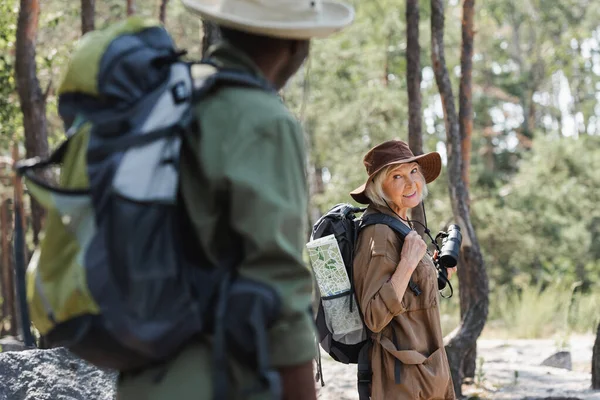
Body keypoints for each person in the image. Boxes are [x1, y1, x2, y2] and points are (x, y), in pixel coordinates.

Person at [116, 0, 354, 399]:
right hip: (223, 378)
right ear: (296, 46)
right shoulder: (263, 119)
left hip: (143, 376)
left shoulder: (168, 102)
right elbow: (278, 285)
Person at [350, 139, 457, 400]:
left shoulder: (399, 224)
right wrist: (409, 263)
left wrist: (434, 275)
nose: (411, 183)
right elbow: (374, 315)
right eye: (397, 176)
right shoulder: (380, 233)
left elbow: (406, 296)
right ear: (378, 187)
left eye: (413, 171)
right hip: (404, 382)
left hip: (425, 374)